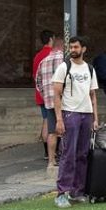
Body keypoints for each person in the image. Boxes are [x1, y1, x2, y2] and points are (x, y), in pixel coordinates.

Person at [51, 36, 98, 208]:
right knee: (68, 154)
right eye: (71, 47)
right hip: (70, 114)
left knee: (82, 154)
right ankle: (61, 193)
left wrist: (95, 118)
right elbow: (56, 94)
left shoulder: (90, 69)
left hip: (86, 114)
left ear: (83, 49)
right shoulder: (64, 67)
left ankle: (77, 191)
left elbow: (93, 95)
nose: (73, 49)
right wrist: (59, 119)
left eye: (76, 47)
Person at [34, 32, 64, 175]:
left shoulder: (42, 61)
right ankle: (65, 159)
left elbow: (38, 83)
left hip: (49, 102)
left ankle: (51, 161)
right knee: (66, 132)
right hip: (64, 102)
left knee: (52, 131)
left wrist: (46, 95)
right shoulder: (64, 60)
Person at [32, 30, 55, 160]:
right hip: (50, 94)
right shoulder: (52, 55)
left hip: (40, 93)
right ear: (51, 39)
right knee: (50, 122)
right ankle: (50, 152)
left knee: (45, 120)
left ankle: (46, 150)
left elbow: (35, 76)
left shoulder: (37, 56)